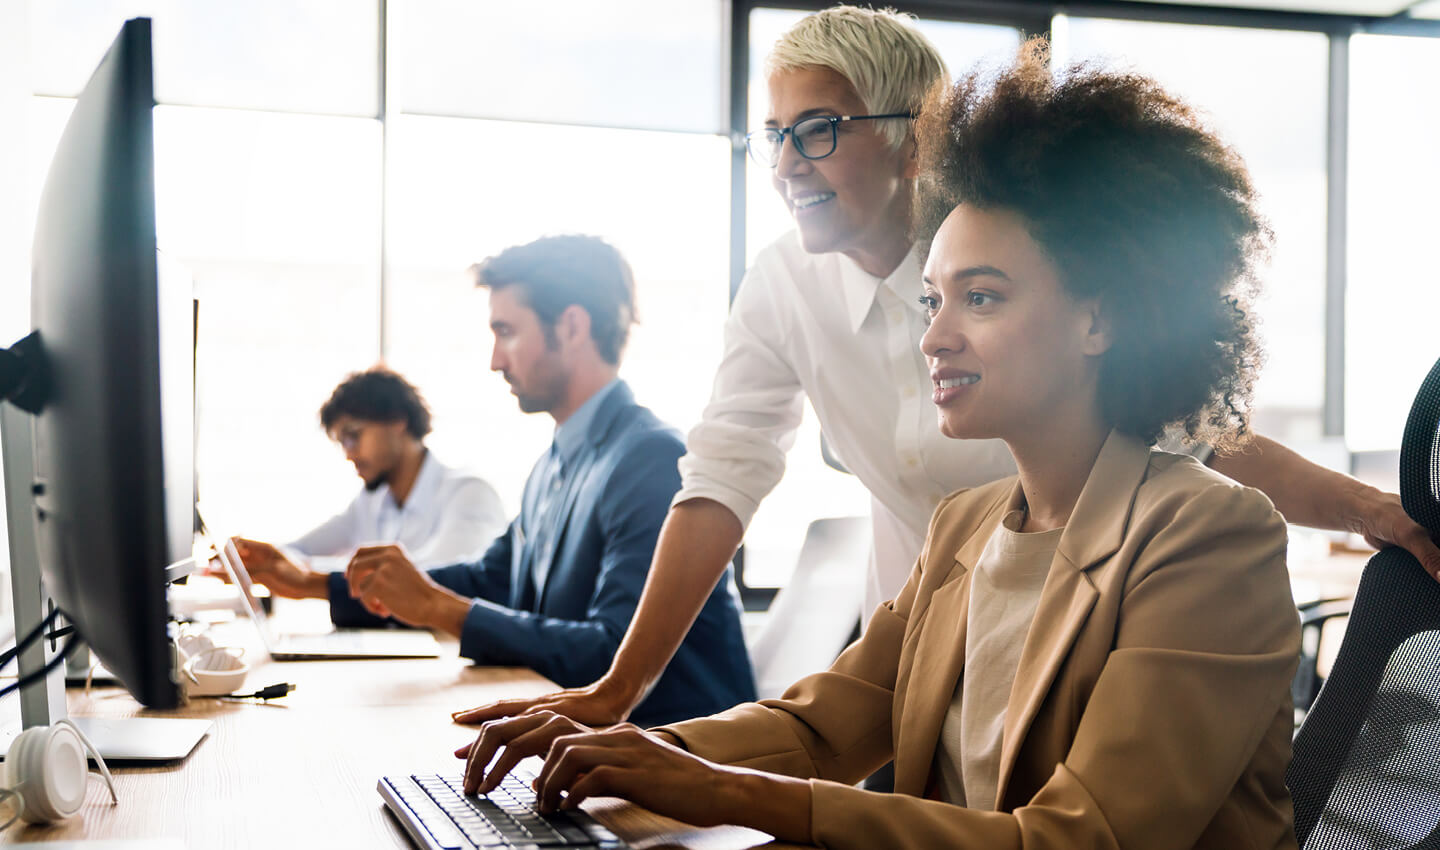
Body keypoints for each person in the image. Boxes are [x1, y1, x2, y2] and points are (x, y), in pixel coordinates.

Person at [454, 3, 1440, 734]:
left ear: (914, 136)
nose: (791, 162)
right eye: (775, 136)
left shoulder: (1015, 267)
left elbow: (1200, 438)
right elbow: (721, 478)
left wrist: (1376, 511)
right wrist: (615, 697)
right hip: (925, 655)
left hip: (1086, 648)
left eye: (821, 130)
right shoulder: (782, 286)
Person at [239, 235, 755, 726]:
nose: (494, 360)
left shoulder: (651, 458)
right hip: (589, 745)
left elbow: (611, 655)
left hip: (675, 758)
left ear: (572, 328)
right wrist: (312, 584)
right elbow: (490, 579)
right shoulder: (555, 461)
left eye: (506, 331)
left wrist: (439, 608)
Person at [233, 366, 505, 575]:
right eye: (342, 443)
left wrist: (305, 572)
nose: (349, 454)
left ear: (398, 421)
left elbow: (434, 580)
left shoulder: (469, 494)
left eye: (354, 436)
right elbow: (296, 552)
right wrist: (251, 558)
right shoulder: (371, 502)